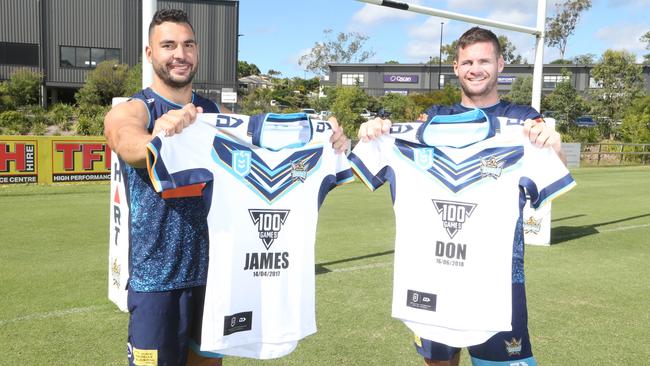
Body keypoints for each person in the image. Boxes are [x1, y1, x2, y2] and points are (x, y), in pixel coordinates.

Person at [104, 9, 348, 366]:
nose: (180, 54)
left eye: (188, 45)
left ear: (197, 51)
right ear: (149, 53)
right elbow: (127, 142)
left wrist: (330, 141)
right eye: (168, 45)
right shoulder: (135, 109)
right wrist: (159, 136)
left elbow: (269, 155)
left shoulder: (214, 113)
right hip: (157, 278)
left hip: (216, 276)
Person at [357, 27, 566, 366]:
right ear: (456, 67)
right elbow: (369, 165)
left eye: (484, 60)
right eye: (467, 61)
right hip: (433, 272)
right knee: (439, 363)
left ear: (500, 64)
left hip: (499, 275)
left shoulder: (523, 120)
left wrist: (551, 144)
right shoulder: (433, 119)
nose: (475, 68)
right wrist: (371, 135)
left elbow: (555, 170)